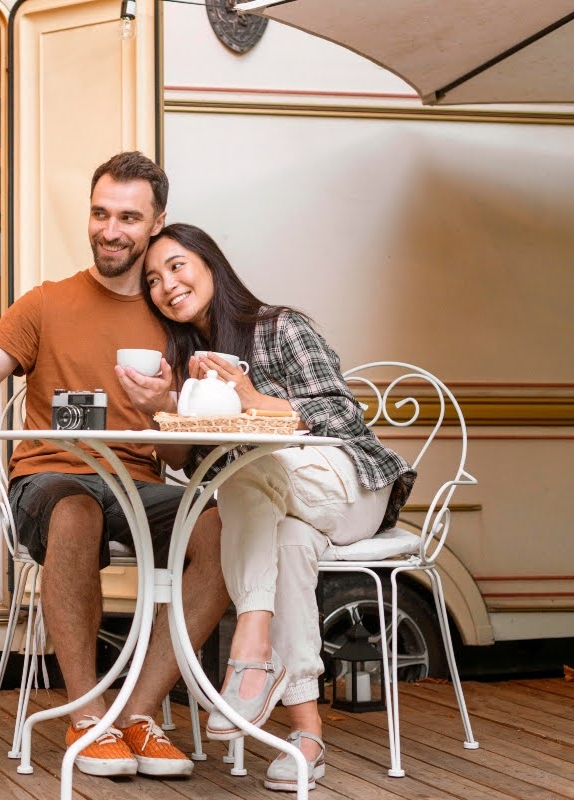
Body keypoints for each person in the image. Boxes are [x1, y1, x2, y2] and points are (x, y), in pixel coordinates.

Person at [0, 152, 231, 779]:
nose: (110, 230)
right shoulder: (44, 304)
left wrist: (163, 410)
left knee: (220, 525)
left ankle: (138, 714)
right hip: (50, 479)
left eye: (128, 217)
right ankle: (87, 713)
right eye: (101, 213)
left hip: (139, 485)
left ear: (156, 224)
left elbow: (180, 457)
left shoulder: (173, 314)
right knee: (75, 509)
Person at [122, 222, 416, 792]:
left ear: (211, 264)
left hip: (349, 489)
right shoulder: (185, 360)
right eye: (153, 279)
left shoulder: (280, 326)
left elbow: (342, 419)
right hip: (279, 510)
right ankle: (306, 738)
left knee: (242, 472)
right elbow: (186, 462)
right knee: (279, 534)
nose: (166, 285)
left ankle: (250, 641)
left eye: (177, 266)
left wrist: (251, 400)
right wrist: (161, 406)